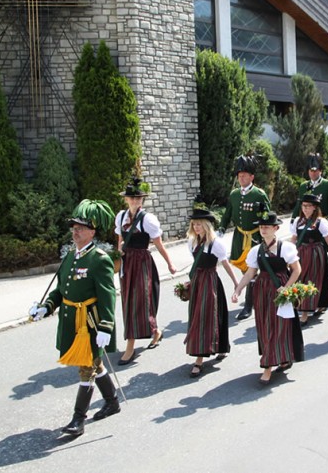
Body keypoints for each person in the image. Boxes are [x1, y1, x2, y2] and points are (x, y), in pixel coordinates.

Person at [29, 200, 120, 437]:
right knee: (93, 365)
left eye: (80, 227)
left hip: (89, 323)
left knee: (86, 369)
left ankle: (78, 419)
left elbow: (108, 295)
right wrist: (46, 307)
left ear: (92, 231)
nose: (75, 231)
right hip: (72, 322)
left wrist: (105, 327)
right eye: (73, 227)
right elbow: (61, 290)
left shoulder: (99, 258)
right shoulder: (70, 256)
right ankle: (112, 401)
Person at [232, 212, 304, 385]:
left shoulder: (285, 247)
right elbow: (250, 272)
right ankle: (280, 357)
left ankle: (268, 367)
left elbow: (296, 270)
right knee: (265, 326)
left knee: (280, 325)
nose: (263, 230)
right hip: (262, 292)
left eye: (267, 227)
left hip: (280, 290)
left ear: (276, 228)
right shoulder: (256, 251)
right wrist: (238, 289)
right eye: (261, 227)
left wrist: (286, 289)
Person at [115, 177, 176, 365]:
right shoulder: (121, 217)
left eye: (138, 198)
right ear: (126, 200)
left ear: (142, 200)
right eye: (131, 198)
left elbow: (158, 244)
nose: (135, 201)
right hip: (127, 263)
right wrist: (117, 261)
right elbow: (119, 243)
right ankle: (155, 330)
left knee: (141, 301)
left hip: (142, 263)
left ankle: (130, 346)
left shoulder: (148, 219)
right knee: (127, 302)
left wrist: (170, 263)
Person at [185, 207, 237, 378]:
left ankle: (199, 360)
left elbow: (226, 264)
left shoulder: (216, 243)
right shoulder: (192, 242)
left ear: (206, 225)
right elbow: (195, 264)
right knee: (197, 316)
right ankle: (220, 347)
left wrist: (236, 283)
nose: (196, 227)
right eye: (194, 224)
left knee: (206, 317)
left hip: (210, 282)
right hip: (198, 281)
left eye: (199, 224)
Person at [218, 155, 270, 321]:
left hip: (255, 236)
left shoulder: (259, 194)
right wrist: (221, 229)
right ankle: (255, 293)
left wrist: (265, 226)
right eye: (239, 175)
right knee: (244, 269)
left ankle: (248, 306)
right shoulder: (234, 194)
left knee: (252, 270)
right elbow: (227, 214)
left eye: (244, 175)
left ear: (252, 177)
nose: (241, 178)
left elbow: (267, 217)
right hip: (240, 236)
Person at [290, 193, 328, 325]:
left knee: (315, 280)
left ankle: (308, 311)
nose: (305, 209)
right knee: (301, 279)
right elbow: (293, 240)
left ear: (314, 208)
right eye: (303, 206)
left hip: (316, 255)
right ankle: (304, 308)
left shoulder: (320, 222)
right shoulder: (297, 222)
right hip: (301, 254)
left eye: (308, 206)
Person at [292, 153, 328, 230]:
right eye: (311, 170)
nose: (313, 173)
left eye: (315, 170)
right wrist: (293, 220)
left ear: (320, 171)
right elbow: (299, 205)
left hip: (323, 224)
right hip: (306, 224)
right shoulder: (303, 186)